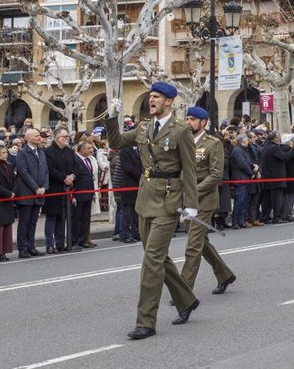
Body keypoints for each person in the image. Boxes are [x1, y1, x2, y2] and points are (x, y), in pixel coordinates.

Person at [104, 82, 201, 340]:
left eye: (156, 97)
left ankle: (146, 321)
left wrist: (191, 205)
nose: (152, 101)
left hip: (169, 201)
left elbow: (189, 171)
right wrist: (112, 116)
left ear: (169, 101)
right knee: (156, 256)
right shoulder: (144, 127)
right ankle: (187, 299)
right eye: (150, 97)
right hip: (145, 198)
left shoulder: (181, 131)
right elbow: (115, 142)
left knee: (151, 262)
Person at [180, 106, 236, 295]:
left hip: (203, 200)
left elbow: (215, 175)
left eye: (192, 120)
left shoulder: (213, 143)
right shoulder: (184, 141)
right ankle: (224, 274)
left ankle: (183, 292)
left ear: (203, 122)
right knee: (200, 241)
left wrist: (193, 192)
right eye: (187, 119)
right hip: (186, 199)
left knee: (193, 245)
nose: (188, 123)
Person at [13, 126, 49, 257]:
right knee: (24, 222)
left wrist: (44, 187)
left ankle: (31, 246)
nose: (39, 137)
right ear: (28, 138)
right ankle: (22, 248)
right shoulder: (22, 153)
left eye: (39, 135)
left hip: (39, 193)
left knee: (33, 222)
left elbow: (45, 171)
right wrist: (36, 188)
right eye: (36, 136)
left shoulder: (41, 152)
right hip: (27, 193)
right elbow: (24, 172)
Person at [44, 129, 76, 252]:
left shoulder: (69, 151)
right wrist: (64, 177)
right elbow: (50, 169)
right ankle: (50, 244)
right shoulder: (48, 152)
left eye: (67, 137)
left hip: (67, 188)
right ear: (57, 138)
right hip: (54, 188)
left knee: (63, 216)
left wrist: (72, 176)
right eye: (64, 137)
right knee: (52, 217)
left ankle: (60, 243)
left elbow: (75, 167)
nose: (67, 139)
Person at [71, 138, 97, 249]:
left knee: (86, 218)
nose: (91, 150)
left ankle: (83, 240)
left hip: (88, 193)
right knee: (76, 219)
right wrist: (73, 195)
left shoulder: (89, 160)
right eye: (89, 148)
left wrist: (93, 192)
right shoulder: (75, 159)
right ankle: (74, 240)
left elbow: (90, 177)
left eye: (92, 148)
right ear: (81, 149)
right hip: (78, 194)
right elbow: (74, 177)